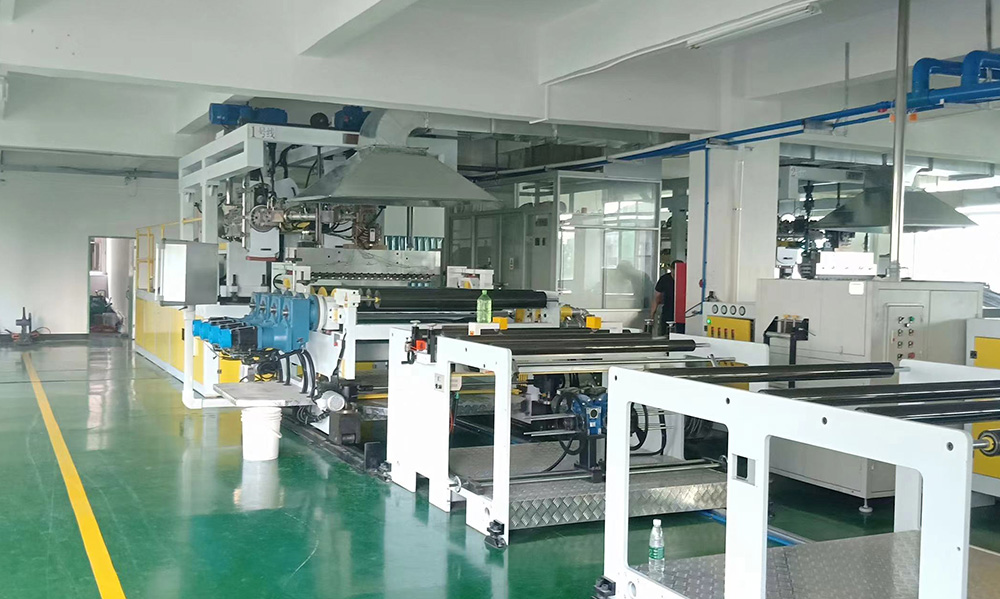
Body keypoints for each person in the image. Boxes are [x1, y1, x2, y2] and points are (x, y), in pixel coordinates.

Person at [650, 261, 681, 336]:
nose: (675, 275)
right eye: (674, 272)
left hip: (682, 313)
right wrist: (652, 315)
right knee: (664, 334)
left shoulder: (685, 278)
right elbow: (657, 298)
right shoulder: (664, 279)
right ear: (671, 269)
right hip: (667, 311)